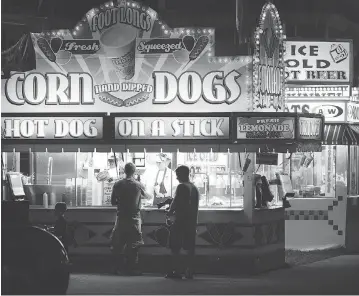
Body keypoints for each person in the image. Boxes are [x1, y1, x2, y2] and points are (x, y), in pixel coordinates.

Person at [110, 162, 145, 276]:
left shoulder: (117, 184)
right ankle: (132, 268)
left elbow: (112, 202)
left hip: (121, 217)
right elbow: (147, 196)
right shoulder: (138, 185)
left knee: (118, 244)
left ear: (124, 171)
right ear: (134, 172)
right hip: (135, 218)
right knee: (134, 244)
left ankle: (116, 268)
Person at [166, 165, 199, 280]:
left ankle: (176, 271)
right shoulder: (194, 188)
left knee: (175, 246)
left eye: (178, 175)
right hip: (192, 221)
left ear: (183, 175)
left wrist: (170, 212)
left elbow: (176, 202)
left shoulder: (181, 187)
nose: (177, 178)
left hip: (181, 220)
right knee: (189, 247)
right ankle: (189, 271)